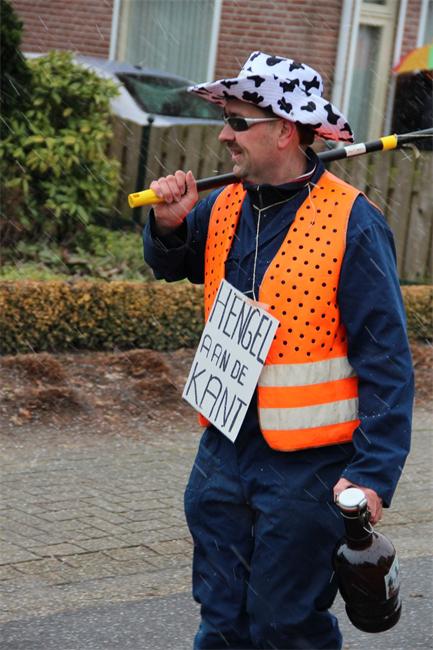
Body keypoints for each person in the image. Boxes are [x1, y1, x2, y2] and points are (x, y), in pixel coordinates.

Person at [143, 52, 413, 650]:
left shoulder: (354, 223)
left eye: (238, 122)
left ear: (286, 130)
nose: (224, 135)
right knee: (221, 620)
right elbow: (176, 262)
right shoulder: (223, 204)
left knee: (284, 626)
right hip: (222, 455)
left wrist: (372, 475)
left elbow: (388, 363)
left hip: (308, 471)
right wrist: (168, 226)